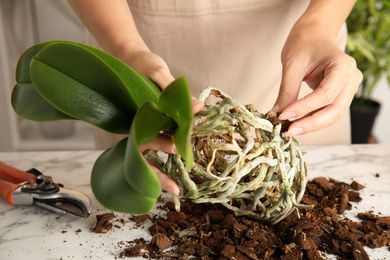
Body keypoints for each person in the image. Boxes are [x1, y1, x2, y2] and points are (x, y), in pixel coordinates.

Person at [68, 0, 362, 194]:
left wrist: (321, 24)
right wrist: (126, 51)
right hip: (135, 38)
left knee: (300, 184)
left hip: (294, 46)